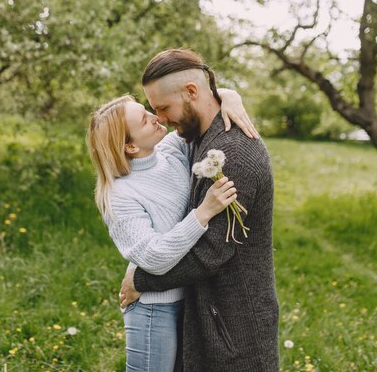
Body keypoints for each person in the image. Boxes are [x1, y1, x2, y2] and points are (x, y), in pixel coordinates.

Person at [119, 49, 279, 372]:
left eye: (163, 108)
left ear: (192, 92)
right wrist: (226, 93)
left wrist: (141, 279)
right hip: (213, 319)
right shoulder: (200, 136)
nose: (160, 119)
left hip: (238, 332)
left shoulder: (233, 153)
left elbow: (210, 253)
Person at [87, 90, 258, 372]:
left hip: (192, 298)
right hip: (154, 309)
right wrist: (203, 212)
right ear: (130, 147)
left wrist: (229, 96)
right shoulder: (120, 194)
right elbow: (153, 256)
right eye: (144, 120)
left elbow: (202, 106)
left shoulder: (170, 151)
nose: (157, 118)